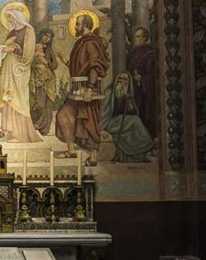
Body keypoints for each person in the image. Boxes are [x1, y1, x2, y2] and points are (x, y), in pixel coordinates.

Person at [55, 13, 110, 165]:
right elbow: (80, 67)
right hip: (77, 90)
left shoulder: (90, 43)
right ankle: (71, 150)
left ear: (85, 25)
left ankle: (93, 157)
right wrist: (65, 61)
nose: (75, 26)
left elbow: (95, 65)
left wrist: (90, 88)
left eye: (77, 24)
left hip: (87, 90)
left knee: (90, 121)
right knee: (63, 115)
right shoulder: (82, 42)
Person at [0, 6, 41, 143]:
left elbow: (28, 54)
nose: (9, 20)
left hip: (19, 70)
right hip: (8, 69)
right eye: (7, 18)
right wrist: (5, 47)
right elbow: (4, 49)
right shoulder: (11, 32)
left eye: (10, 17)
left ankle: (20, 133)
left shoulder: (28, 31)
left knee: (19, 99)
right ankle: (10, 131)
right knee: (8, 97)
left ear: (16, 16)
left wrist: (12, 49)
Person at [101, 72, 154, 162]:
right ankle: (149, 144)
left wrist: (129, 101)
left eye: (125, 79)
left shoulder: (128, 94)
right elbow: (103, 113)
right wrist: (102, 129)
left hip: (123, 122)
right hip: (110, 123)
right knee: (135, 121)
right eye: (120, 79)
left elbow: (133, 112)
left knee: (134, 123)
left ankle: (138, 154)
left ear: (128, 82)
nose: (122, 81)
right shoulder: (109, 93)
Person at [129, 26, 157, 138]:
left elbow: (154, 77)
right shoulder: (134, 53)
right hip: (135, 91)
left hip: (145, 94)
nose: (135, 39)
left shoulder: (150, 54)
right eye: (135, 36)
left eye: (138, 37)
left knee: (145, 116)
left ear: (144, 38)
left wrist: (142, 78)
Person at [30, 28, 58, 135]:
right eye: (45, 35)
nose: (46, 38)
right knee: (40, 104)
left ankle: (45, 129)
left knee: (49, 105)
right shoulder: (34, 48)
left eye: (49, 37)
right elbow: (30, 64)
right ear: (41, 35)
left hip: (50, 80)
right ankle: (37, 124)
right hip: (39, 79)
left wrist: (47, 63)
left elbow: (55, 64)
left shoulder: (50, 50)